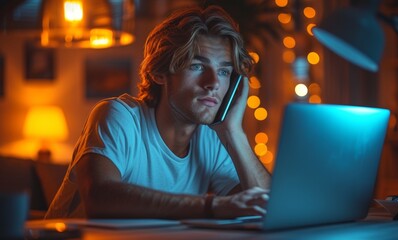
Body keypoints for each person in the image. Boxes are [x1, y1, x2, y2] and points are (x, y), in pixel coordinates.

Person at [45, 5, 271, 219]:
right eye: (197, 66)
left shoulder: (213, 138)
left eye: (223, 71)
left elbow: (268, 206)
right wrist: (210, 206)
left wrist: (234, 133)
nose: (213, 83)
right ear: (159, 73)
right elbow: (99, 197)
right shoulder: (119, 116)